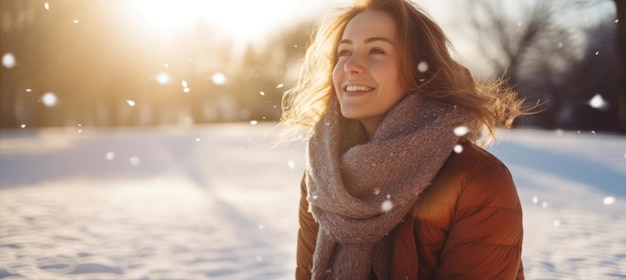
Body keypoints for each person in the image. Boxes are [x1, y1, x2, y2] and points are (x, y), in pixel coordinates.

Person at [279, 0, 528, 279]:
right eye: (344, 52)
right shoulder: (324, 174)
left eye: (376, 50)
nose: (351, 65)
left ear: (420, 72)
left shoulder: (477, 179)